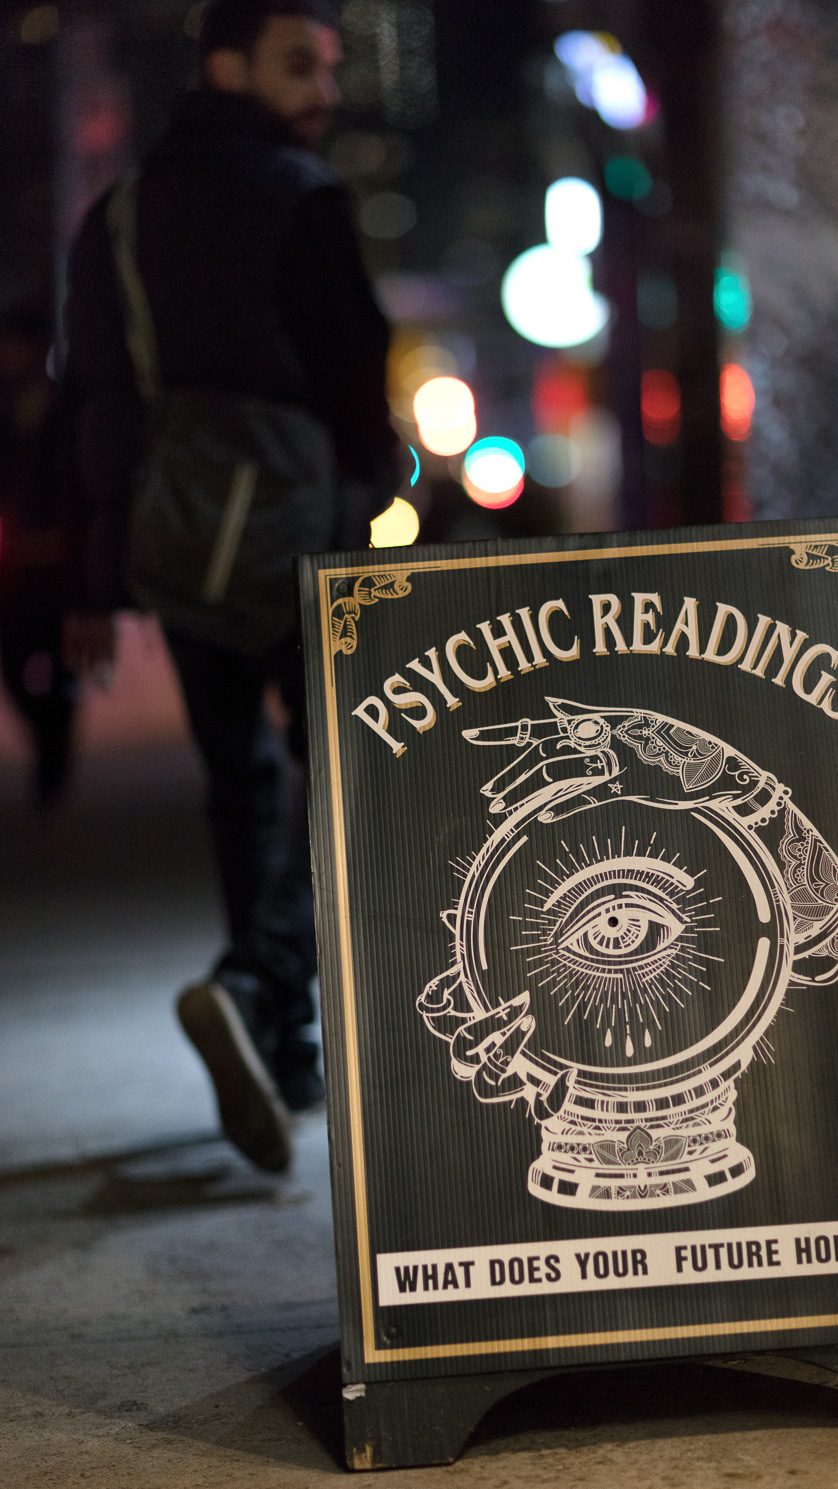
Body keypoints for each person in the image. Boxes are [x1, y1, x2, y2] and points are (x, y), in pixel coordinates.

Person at [62, 0, 399, 1173]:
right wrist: (376, 509)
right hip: (301, 528)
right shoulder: (302, 196)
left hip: (176, 532)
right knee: (345, 781)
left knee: (239, 788)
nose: (323, 88)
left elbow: (94, 395)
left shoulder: (121, 210)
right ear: (226, 66)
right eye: (298, 65)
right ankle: (259, 985)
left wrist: (95, 579)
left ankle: (285, 1046)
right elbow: (357, 376)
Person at [0, 302, 79, 805]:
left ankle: (55, 757)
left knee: (61, 665)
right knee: (14, 664)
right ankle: (48, 742)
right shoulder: (3, 409)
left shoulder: (68, 408)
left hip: (62, 564)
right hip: (12, 564)